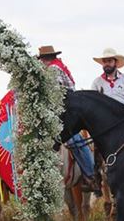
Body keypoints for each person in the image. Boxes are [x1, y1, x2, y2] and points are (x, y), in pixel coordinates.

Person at [37, 45, 94, 182]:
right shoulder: (58, 67)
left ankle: (90, 172)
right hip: (66, 106)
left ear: (44, 59)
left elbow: (55, 93)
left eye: (41, 60)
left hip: (67, 108)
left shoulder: (53, 69)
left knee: (73, 138)